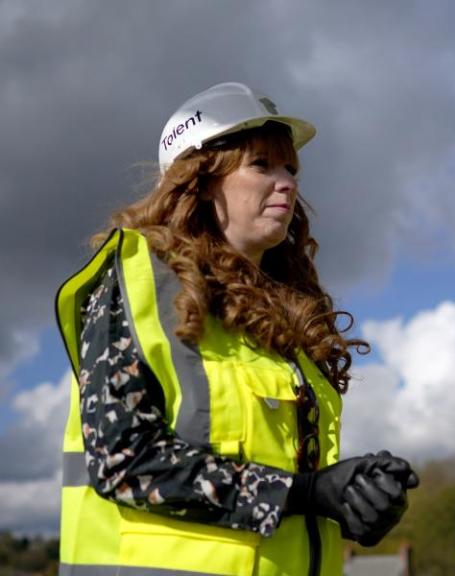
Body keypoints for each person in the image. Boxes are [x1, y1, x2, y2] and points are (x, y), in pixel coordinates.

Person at [56, 82, 418, 576]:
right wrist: (306, 493)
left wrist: (353, 501)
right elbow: (125, 461)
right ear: (201, 180)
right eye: (262, 165)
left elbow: (286, 491)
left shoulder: (289, 322)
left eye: (291, 168)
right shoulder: (138, 280)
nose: (287, 183)